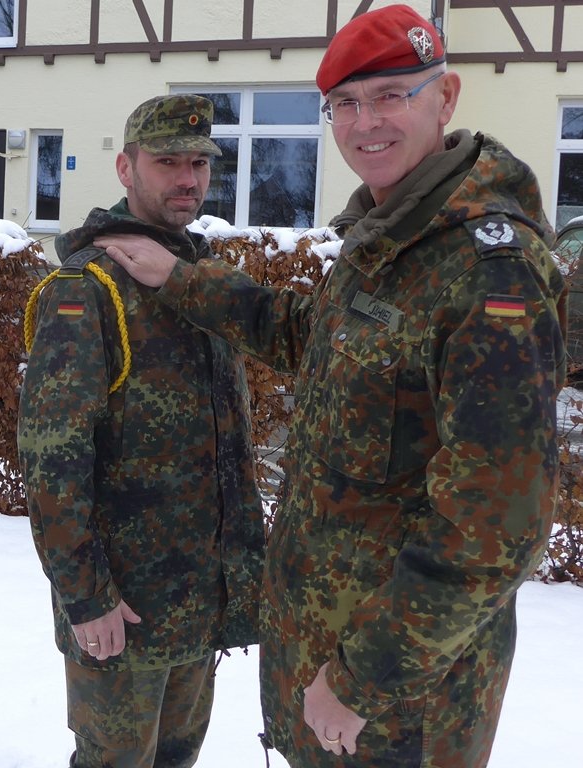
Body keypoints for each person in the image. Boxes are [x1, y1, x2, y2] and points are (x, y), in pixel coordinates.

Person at [96, 6, 567, 768]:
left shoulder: (486, 269)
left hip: (399, 703)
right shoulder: (388, 239)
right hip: (328, 672)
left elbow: (492, 529)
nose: (363, 123)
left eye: (388, 96)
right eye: (343, 104)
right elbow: (310, 338)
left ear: (443, 100)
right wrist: (182, 280)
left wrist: (360, 679)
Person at [17, 94, 265, 768]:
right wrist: (84, 594)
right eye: (166, 162)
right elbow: (51, 457)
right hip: (124, 609)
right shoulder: (88, 289)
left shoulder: (197, 279)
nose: (186, 178)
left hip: (198, 600)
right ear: (126, 169)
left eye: (197, 163)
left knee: (176, 758)